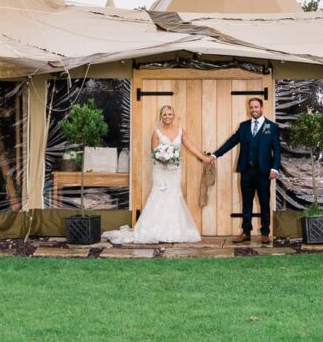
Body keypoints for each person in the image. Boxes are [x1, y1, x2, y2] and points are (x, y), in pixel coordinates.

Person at [102, 105, 212, 245]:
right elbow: (154, 152)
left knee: (174, 196)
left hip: (174, 171)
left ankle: (173, 231)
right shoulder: (156, 133)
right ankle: (153, 231)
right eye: (165, 114)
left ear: (174, 116)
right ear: (161, 117)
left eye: (170, 114)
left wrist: (205, 158)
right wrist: (163, 159)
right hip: (160, 171)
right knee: (159, 196)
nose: (167, 117)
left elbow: (190, 146)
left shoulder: (180, 132)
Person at [209, 96, 280, 244]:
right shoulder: (244, 126)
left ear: (261, 108)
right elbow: (231, 142)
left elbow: (277, 151)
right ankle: (246, 232)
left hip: (264, 172)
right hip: (246, 171)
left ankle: (265, 232)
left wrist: (275, 168)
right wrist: (216, 154)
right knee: (246, 202)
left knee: (264, 202)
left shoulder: (271, 127)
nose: (253, 109)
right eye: (251, 107)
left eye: (256, 107)